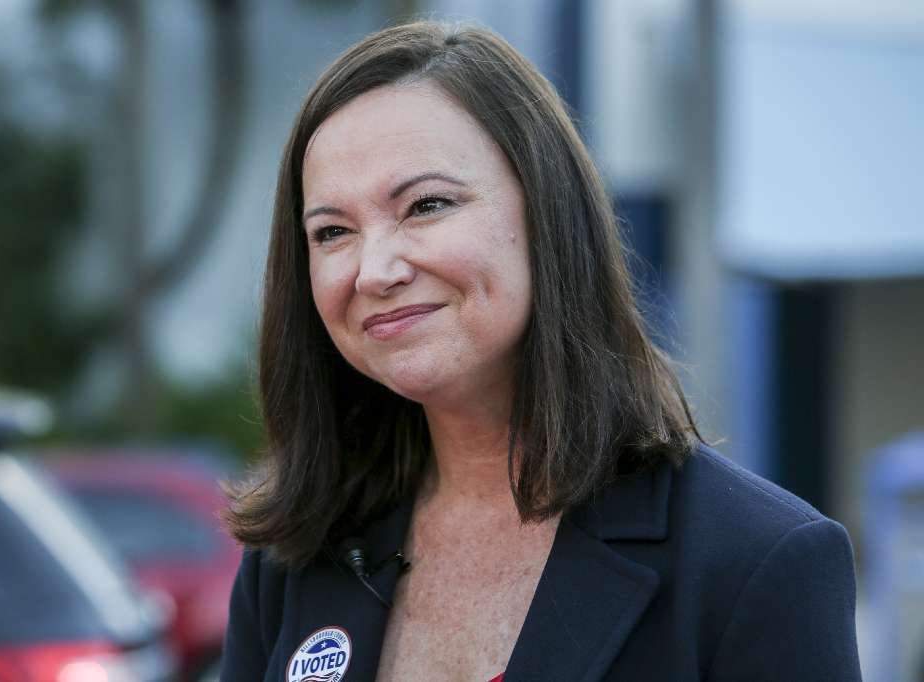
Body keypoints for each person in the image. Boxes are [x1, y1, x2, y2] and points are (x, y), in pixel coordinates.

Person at [220, 20, 861, 682]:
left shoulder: (757, 561)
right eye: (332, 232)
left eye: (426, 205)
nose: (374, 269)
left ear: (546, 213)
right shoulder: (294, 559)